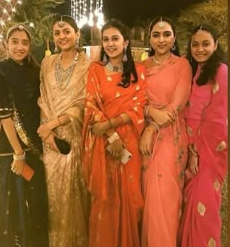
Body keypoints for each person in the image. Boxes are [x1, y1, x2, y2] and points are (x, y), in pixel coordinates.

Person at [82, 18, 147, 247]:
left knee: (133, 199)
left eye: (115, 39)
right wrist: (111, 135)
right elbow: (90, 106)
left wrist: (113, 126)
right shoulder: (95, 70)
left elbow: (140, 106)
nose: (110, 44)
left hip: (130, 142)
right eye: (106, 39)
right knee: (105, 200)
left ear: (126, 42)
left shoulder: (139, 71)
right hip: (105, 144)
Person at [37, 14, 91, 247]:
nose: (62, 36)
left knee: (75, 194)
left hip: (75, 137)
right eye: (57, 33)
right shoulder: (47, 63)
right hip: (50, 141)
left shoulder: (89, 65)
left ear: (77, 34)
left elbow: (85, 103)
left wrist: (54, 123)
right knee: (54, 196)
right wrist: (47, 133)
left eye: (67, 31)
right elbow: (43, 98)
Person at [139, 16, 192, 247]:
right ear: (149, 39)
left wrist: (152, 127)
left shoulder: (182, 65)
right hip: (144, 140)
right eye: (156, 35)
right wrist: (149, 112)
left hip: (171, 137)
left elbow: (176, 105)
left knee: (167, 198)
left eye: (166, 34)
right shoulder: (141, 67)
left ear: (174, 37)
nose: (161, 40)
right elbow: (136, 101)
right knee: (149, 198)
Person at [0, 24, 49, 247]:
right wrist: (18, 153)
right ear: (6, 44)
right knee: (14, 203)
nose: (20, 47)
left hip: (34, 148)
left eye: (25, 42)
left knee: (35, 203)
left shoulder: (35, 71)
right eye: (15, 42)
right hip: (11, 151)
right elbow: (5, 115)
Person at [178, 24, 228, 247]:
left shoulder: (221, 71)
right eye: (195, 44)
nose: (200, 49)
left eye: (206, 44)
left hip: (206, 150)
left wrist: (196, 152)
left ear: (216, 45)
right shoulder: (192, 69)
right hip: (187, 144)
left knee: (203, 206)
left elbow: (217, 119)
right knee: (187, 206)